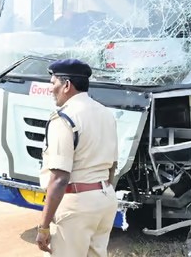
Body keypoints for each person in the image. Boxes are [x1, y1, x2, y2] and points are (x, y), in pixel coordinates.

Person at [35, 59, 118, 257]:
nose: (50, 89)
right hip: (106, 199)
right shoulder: (106, 114)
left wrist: (44, 227)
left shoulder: (65, 118)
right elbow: (112, 167)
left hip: (77, 203)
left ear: (66, 85)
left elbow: (59, 178)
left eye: (53, 83)